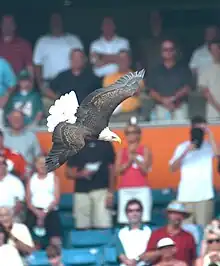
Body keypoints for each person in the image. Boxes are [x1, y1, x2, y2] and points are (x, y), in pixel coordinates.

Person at [169, 116, 219, 226]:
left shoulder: (209, 147)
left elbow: (218, 156)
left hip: (205, 197)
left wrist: (210, 135)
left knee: (204, 231)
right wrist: (186, 151)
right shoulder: (182, 147)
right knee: (187, 231)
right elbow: (172, 168)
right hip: (186, 196)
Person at [66, 139, 115, 229]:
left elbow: (112, 169)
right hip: (81, 192)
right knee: (82, 227)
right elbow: (68, 172)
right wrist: (81, 174)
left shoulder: (105, 143)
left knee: (103, 226)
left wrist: (111, 192)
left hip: (102, 191)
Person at [33, 13, 84, 91]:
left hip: (71, 83)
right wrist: (40, 85)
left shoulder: (74, 40)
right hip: (49, 84)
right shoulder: (42, 41)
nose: (56, 23)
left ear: (62, 22)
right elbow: (37, 65)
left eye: (58, 20)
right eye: (53, 20)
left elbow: (82, 61)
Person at [115, 118, 152, 224]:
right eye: (128, 133)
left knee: (144, 218)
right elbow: (117, 171)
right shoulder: (121, 152)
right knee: (125, 219)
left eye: (134, 132)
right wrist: (128, 161)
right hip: (125, 188)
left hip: (142, 187)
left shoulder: (145, 149)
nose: (131, 135)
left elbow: (145, 170)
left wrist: (135, 157)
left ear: (139, 134)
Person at [43, 48, 101, 114]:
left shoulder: (92, 77)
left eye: (79, 58)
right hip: (65, 110)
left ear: (84, 60)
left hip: (86, 111)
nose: (76, 60)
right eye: (74, 58)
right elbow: (47, 89)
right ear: (70, 60)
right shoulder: (62, 76)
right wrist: (58, 99)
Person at [147, 39, 192, 121]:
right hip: (161, 108)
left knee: (182, 132)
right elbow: (151, 90)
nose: (168, 52)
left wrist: (173, 99)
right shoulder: (155, 70)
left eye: (171, 49)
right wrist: (163, 100)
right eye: (165, 50)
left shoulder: (184, 68)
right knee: (161, 133)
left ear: (175, 51)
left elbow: (187, 88)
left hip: (180, 107)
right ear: (161, 52)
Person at [142, 201, 196, 266]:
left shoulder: (188, 237)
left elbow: (193, 260)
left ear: (183, 217)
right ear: (168, 215)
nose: (177, 216)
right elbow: (146, 257)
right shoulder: (157, 234)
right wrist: (163, 252)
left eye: (180, 214)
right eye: (174, 213)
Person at [26, 155, 62, 247]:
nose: (42, 165)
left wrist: (44, 212)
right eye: (40, 163)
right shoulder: (31, 179)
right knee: (32, 240)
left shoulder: (54, 178)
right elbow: (28, 201)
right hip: (34, 211)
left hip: (50, 211)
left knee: (56, 240)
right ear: (35, 165)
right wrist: (38, 213)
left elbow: (56, 199)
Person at [103, 50, 144, 115]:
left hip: (132, 112)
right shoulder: (108, 77)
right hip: (113, 115)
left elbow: (136, 91)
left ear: (129, 61)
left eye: (124, 59)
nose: (122, 62)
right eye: (120, 59)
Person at [116, 199, 152, 266]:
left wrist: (136, 260)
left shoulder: (149, 231)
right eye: (131, 211)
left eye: (137, 210)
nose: (134, 214)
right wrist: (128, 262)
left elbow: (150, 251)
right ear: (126, 213)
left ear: (142, 212)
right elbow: (120, 253)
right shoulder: (121, 232)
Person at [198, 38, 220, 120]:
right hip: (213, 113)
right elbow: (205, 92)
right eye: (213, 50)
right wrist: (218, 108)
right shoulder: (205, 70)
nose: (216, 52)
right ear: (210, 52)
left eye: (218, 49)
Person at [0, 156, 25, 222]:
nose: (0, 165)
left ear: (6, 166)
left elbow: (20, 203)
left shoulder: (15, 181)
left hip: (11, 214)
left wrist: (8, 216)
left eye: (2, 163)